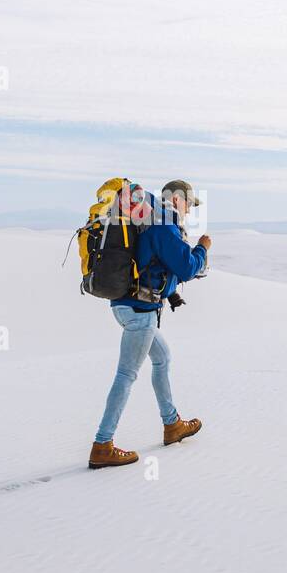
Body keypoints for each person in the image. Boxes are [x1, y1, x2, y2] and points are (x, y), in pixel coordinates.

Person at [89, 180, 211, 469]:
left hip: (127, 306)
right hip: (140, 312)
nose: (188, 213)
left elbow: (153, 266)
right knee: (126, 374)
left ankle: (172, 425)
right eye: (188, 206)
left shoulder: (150, 222)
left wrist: (171, 294)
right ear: (178, 200)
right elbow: (186, 267)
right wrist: (203, 249)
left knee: (162, 358)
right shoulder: (164, 225)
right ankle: (102, 444)